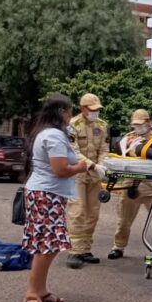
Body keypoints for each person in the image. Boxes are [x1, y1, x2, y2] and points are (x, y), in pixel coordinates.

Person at [21, 94, 89, 302]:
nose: (71, 116)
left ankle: (40, 290)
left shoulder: (49, 133)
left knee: (47, 245)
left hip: (46, 194)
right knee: (46, 246)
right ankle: (32, 293)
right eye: (69, 111)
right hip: (46, 195)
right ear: (62, 112)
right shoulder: (54, 136)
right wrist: (81, 167)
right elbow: (60, 170)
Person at [107, 109, 152, 261]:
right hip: (130, 184)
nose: (137, 127)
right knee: (123, 221)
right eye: (135, 125)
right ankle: (118, 247)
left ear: (148, 122)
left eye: (140, 124)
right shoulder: (128, 138)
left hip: (151, 186)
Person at [66, 93, 109, 269]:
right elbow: (73, 150)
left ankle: (85, 249)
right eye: (92, 110)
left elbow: (104, 147)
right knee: (77, 211)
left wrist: (102, 165)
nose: (95, 113)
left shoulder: (102, 125)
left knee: (93, 212)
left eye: (97, 110)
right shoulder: (72, 126)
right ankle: (74, 252)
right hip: (77, 174)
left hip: (95, 176)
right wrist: (92, 165)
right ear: (83, 108)